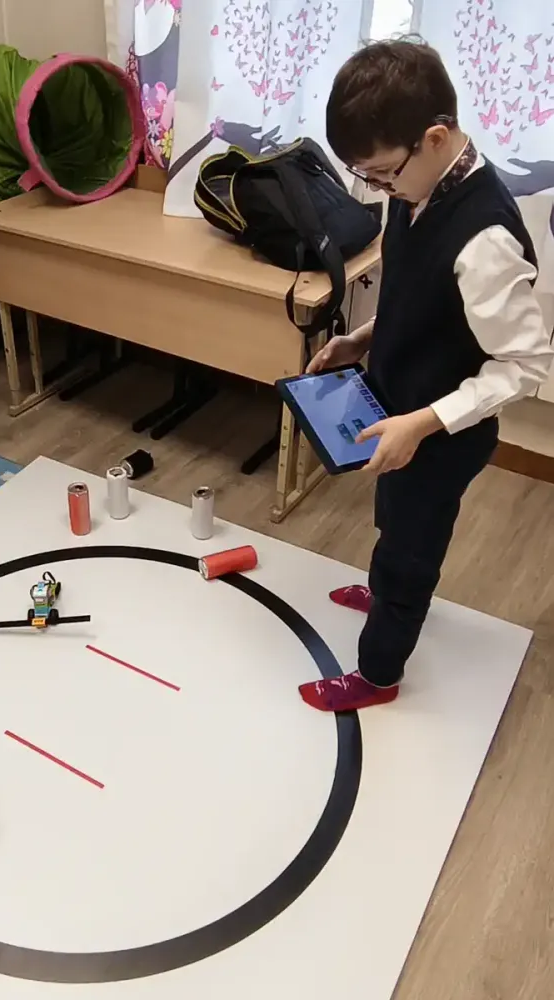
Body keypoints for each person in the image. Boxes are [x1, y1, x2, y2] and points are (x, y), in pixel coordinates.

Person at [299, 40, 554, 712]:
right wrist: (360, 339)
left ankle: (378, 673)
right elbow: (421, 298)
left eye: (383, 174)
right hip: (398, 405)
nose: (379, 189)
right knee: (392, 519)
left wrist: (422, 424)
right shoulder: (413, 189)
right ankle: (386, 588)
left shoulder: (485, 238)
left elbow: (527, 364)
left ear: (435, 139)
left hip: (443, 435)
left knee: (411, 549)